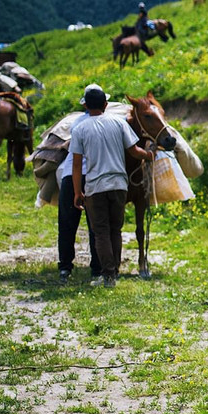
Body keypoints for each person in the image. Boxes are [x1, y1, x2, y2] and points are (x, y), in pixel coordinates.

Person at [70, 83, 153, 287]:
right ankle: (114, 271)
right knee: (116, 230)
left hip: (96, 187)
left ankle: (108, 276)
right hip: (119, 185)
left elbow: (77, 165)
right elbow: (134, 151)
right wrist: (149, 155)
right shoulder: (119, 123)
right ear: (106, 104)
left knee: (101, 232)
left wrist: (77, 192)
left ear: (86, 107)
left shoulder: (80, 129)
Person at [57, 114, 100, 283]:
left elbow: (75, 161)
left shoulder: (77, 123)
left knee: (67, 223)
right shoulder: (112, 122)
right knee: (96, 225)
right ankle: (97, 268)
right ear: (105, 104)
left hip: (70, 175)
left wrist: (75, 190)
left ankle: (65, 267)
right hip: (94, 176)